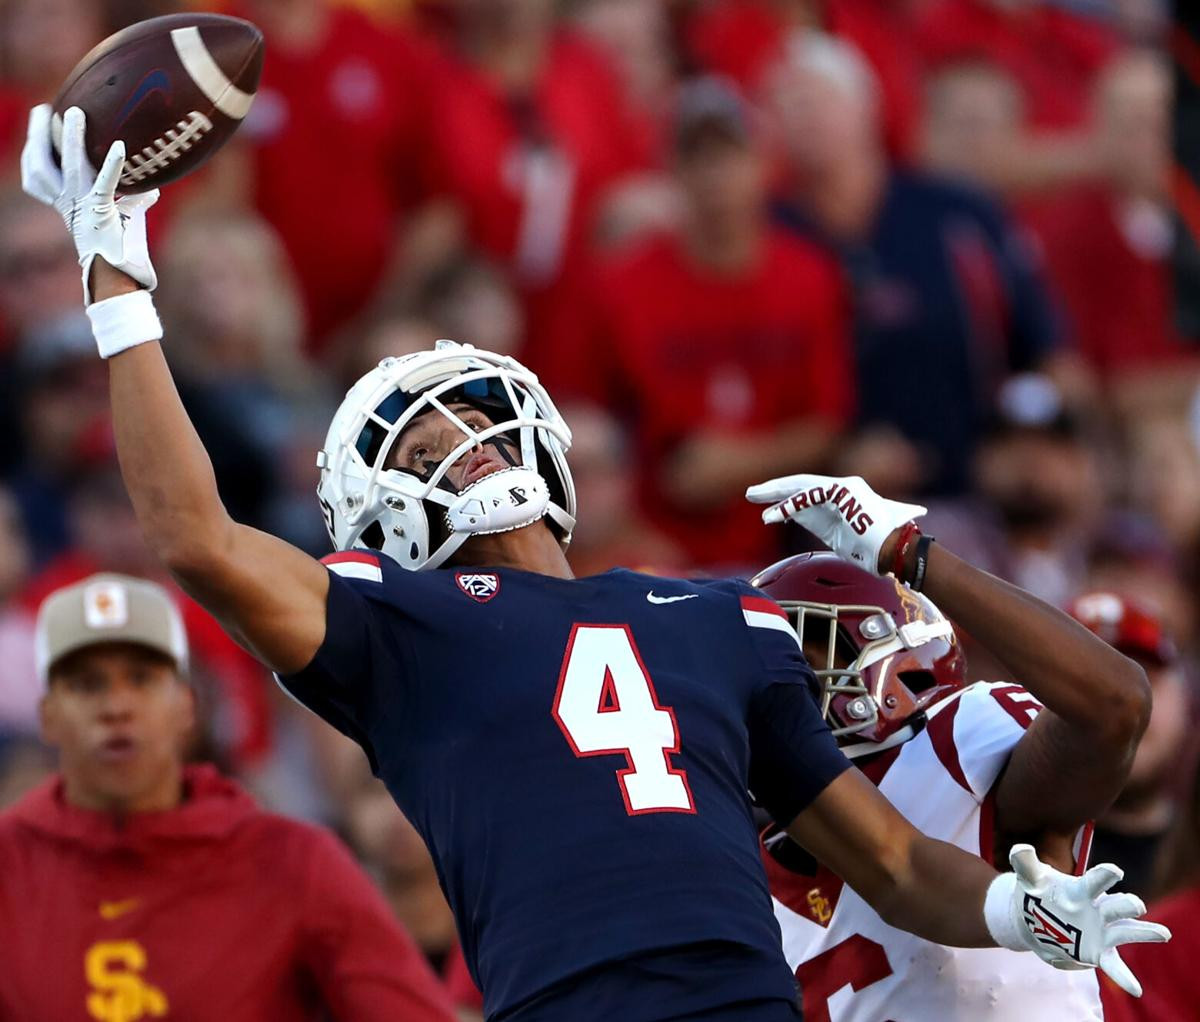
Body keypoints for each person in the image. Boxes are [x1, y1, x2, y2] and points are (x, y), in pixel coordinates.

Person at [20, 104, 1168, 1022]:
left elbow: (896, 861)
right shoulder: (404, 623)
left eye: (471, 417)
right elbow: (196, 538)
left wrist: (1023, 908)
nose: (463, 448)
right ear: (383, 515)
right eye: (423, 447)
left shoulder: (730, 621)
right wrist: (119, 281)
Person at [744, 472, 1160, 1019]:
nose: (769, 681)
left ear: (890, 654)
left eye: (800, 649)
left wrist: (912, 554)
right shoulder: (741, 877)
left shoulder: (958, 744)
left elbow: (1115, 706)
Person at [0, 571, 457, 1021]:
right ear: (47, 715)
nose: (116, 707)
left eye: (140, 679)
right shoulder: (10, 863)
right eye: (87, 684)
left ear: (186, 706)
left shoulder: (292, 863)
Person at [762, 33, 1064, 499]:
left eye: (819, 101)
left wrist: (1028, 446)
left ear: (867, 106)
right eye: (790, 104)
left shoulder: (956, 215)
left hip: (974, 489)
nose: (807, 119)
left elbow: (1045, 347)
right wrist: (839, 457)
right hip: (821, 505)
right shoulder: (767, 232)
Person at [1068, 591, 1192, 900]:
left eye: (1145, 681)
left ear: (1185, 701)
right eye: (1093, 684)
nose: (1127, 710)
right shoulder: (995, 846)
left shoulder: (1193, 860)